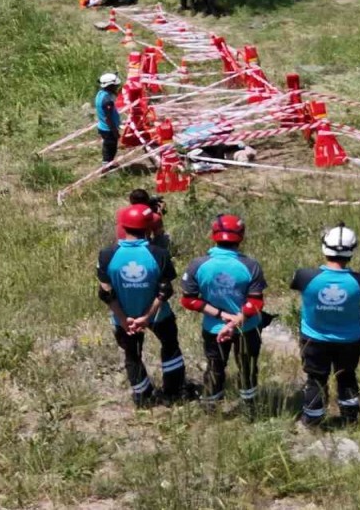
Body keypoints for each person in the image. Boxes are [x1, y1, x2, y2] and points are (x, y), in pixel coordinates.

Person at [97, 204, 187, 407]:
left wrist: (122, 318)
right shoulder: (159, 254)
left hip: (124, 318)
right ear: (148, 228)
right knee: (170, 347)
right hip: (158, 315)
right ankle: (173, 392)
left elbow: (105, 292)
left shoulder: (107, 254)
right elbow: (165, 290)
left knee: (132, 355)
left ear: (123, 226)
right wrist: (147, 316)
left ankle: (143, 397)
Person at [180, 215, 267, 410]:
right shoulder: (250, 265)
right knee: (248, 367)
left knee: (215, 366)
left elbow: (189, 299)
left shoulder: (198, 264)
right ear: (241, 237)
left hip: (213, 328)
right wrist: (236, 320)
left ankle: (210, 406)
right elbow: (256, 301)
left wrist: (221, 316)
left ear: (214, 236)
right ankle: (250, 407)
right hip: (247, 327)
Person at [290, 223, 360, 427]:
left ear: (325, 247)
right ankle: (350, 418)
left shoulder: (305, 276)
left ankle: (312, 418)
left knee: (316, 379)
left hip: (314, 339)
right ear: (352, 250)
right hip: (350, 340)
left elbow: (294, 285)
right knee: (347, 377)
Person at [95, 73, 121, 167]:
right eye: (115, 86)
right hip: (108, 130)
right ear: (109, 86)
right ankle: (106, 166)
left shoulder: (101, 94)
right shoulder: (107, 101)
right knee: (110, 149)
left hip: (103, 127)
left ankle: (109, 163)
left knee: (108, 146)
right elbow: (108, 118)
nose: (116, 87)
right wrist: (115, 132)